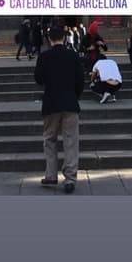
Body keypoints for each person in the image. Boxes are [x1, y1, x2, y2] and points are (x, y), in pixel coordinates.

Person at [34, 24, 85, 194]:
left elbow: (39, 79)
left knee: (50, 140)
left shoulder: (44, 56)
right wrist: (73, 96)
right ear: (64, 37)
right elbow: (80, 81)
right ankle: (70, 179)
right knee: (71, 141)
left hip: (51, 104)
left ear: (49, 39)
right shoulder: (73, 55)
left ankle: (51, 175)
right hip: (70, 104)